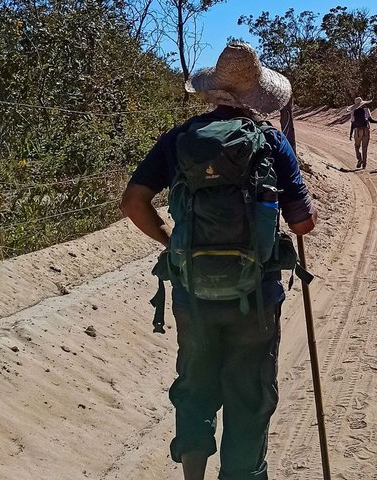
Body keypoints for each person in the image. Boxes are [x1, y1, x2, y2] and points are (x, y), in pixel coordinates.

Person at [120, 42, 317, 480]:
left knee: (195, 386)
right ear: (257, 97)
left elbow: (133, 202)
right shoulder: (270, 141)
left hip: (192, 291)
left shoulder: (179, 140)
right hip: (256, 296)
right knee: (250, 397)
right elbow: (302, 224)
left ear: (212, 93)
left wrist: (170, 240)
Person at [347, 97, 377, 169]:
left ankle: (359, 159)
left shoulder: (353, 111)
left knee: (357, 146)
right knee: (364, 147)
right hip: (366, 130)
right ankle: (364, 164)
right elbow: (370, 120)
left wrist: (350, 134)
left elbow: (353, 123)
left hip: (357, 131)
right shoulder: (366, 110)